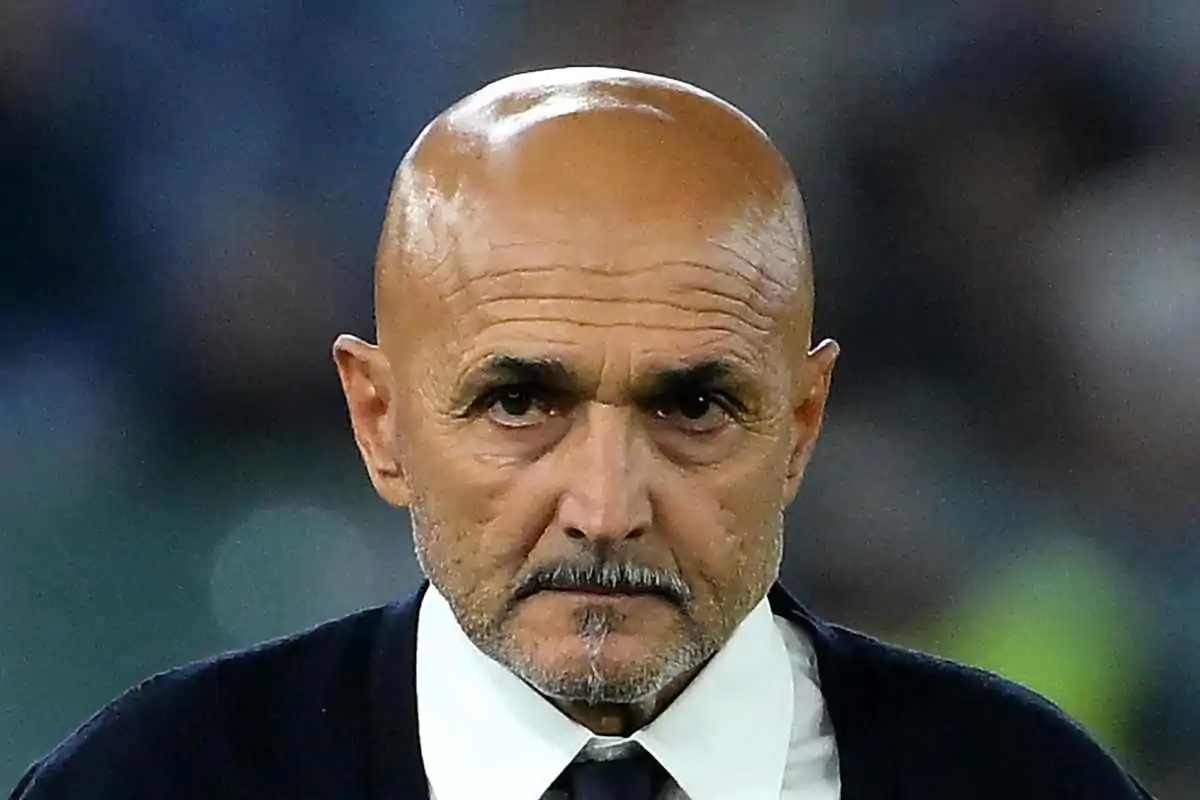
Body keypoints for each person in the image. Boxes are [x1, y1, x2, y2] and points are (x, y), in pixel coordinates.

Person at [9, 67, 1154, 800]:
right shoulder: (151, 782)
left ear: (801, 427)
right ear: (381, 420)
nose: (606, 507)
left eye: (693, 407)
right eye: (520, 404)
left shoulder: (1028, 782)